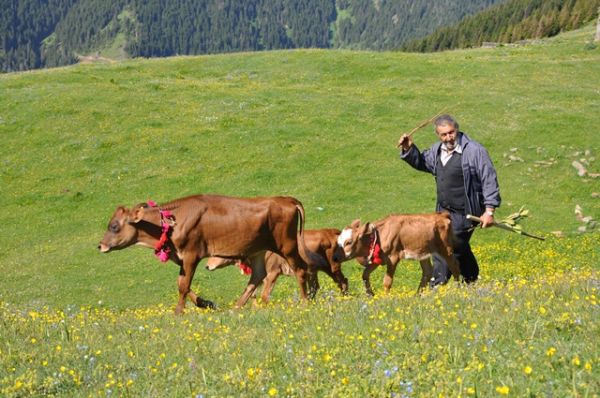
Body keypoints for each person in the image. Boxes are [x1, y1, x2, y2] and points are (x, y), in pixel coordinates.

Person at [398, 114, 501, 285]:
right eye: (444, 135)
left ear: (457, 129)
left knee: (443, 245)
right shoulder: (437, 150)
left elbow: (489, 179)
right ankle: (471, 279)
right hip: (443, 210)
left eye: (451, 133)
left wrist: (489, 211)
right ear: (438, 135)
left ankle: (437, 285)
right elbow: (423, 163)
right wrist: (409, 149)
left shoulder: (475, 151)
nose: (448, 138)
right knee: (459, 246)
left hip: (467, 212)